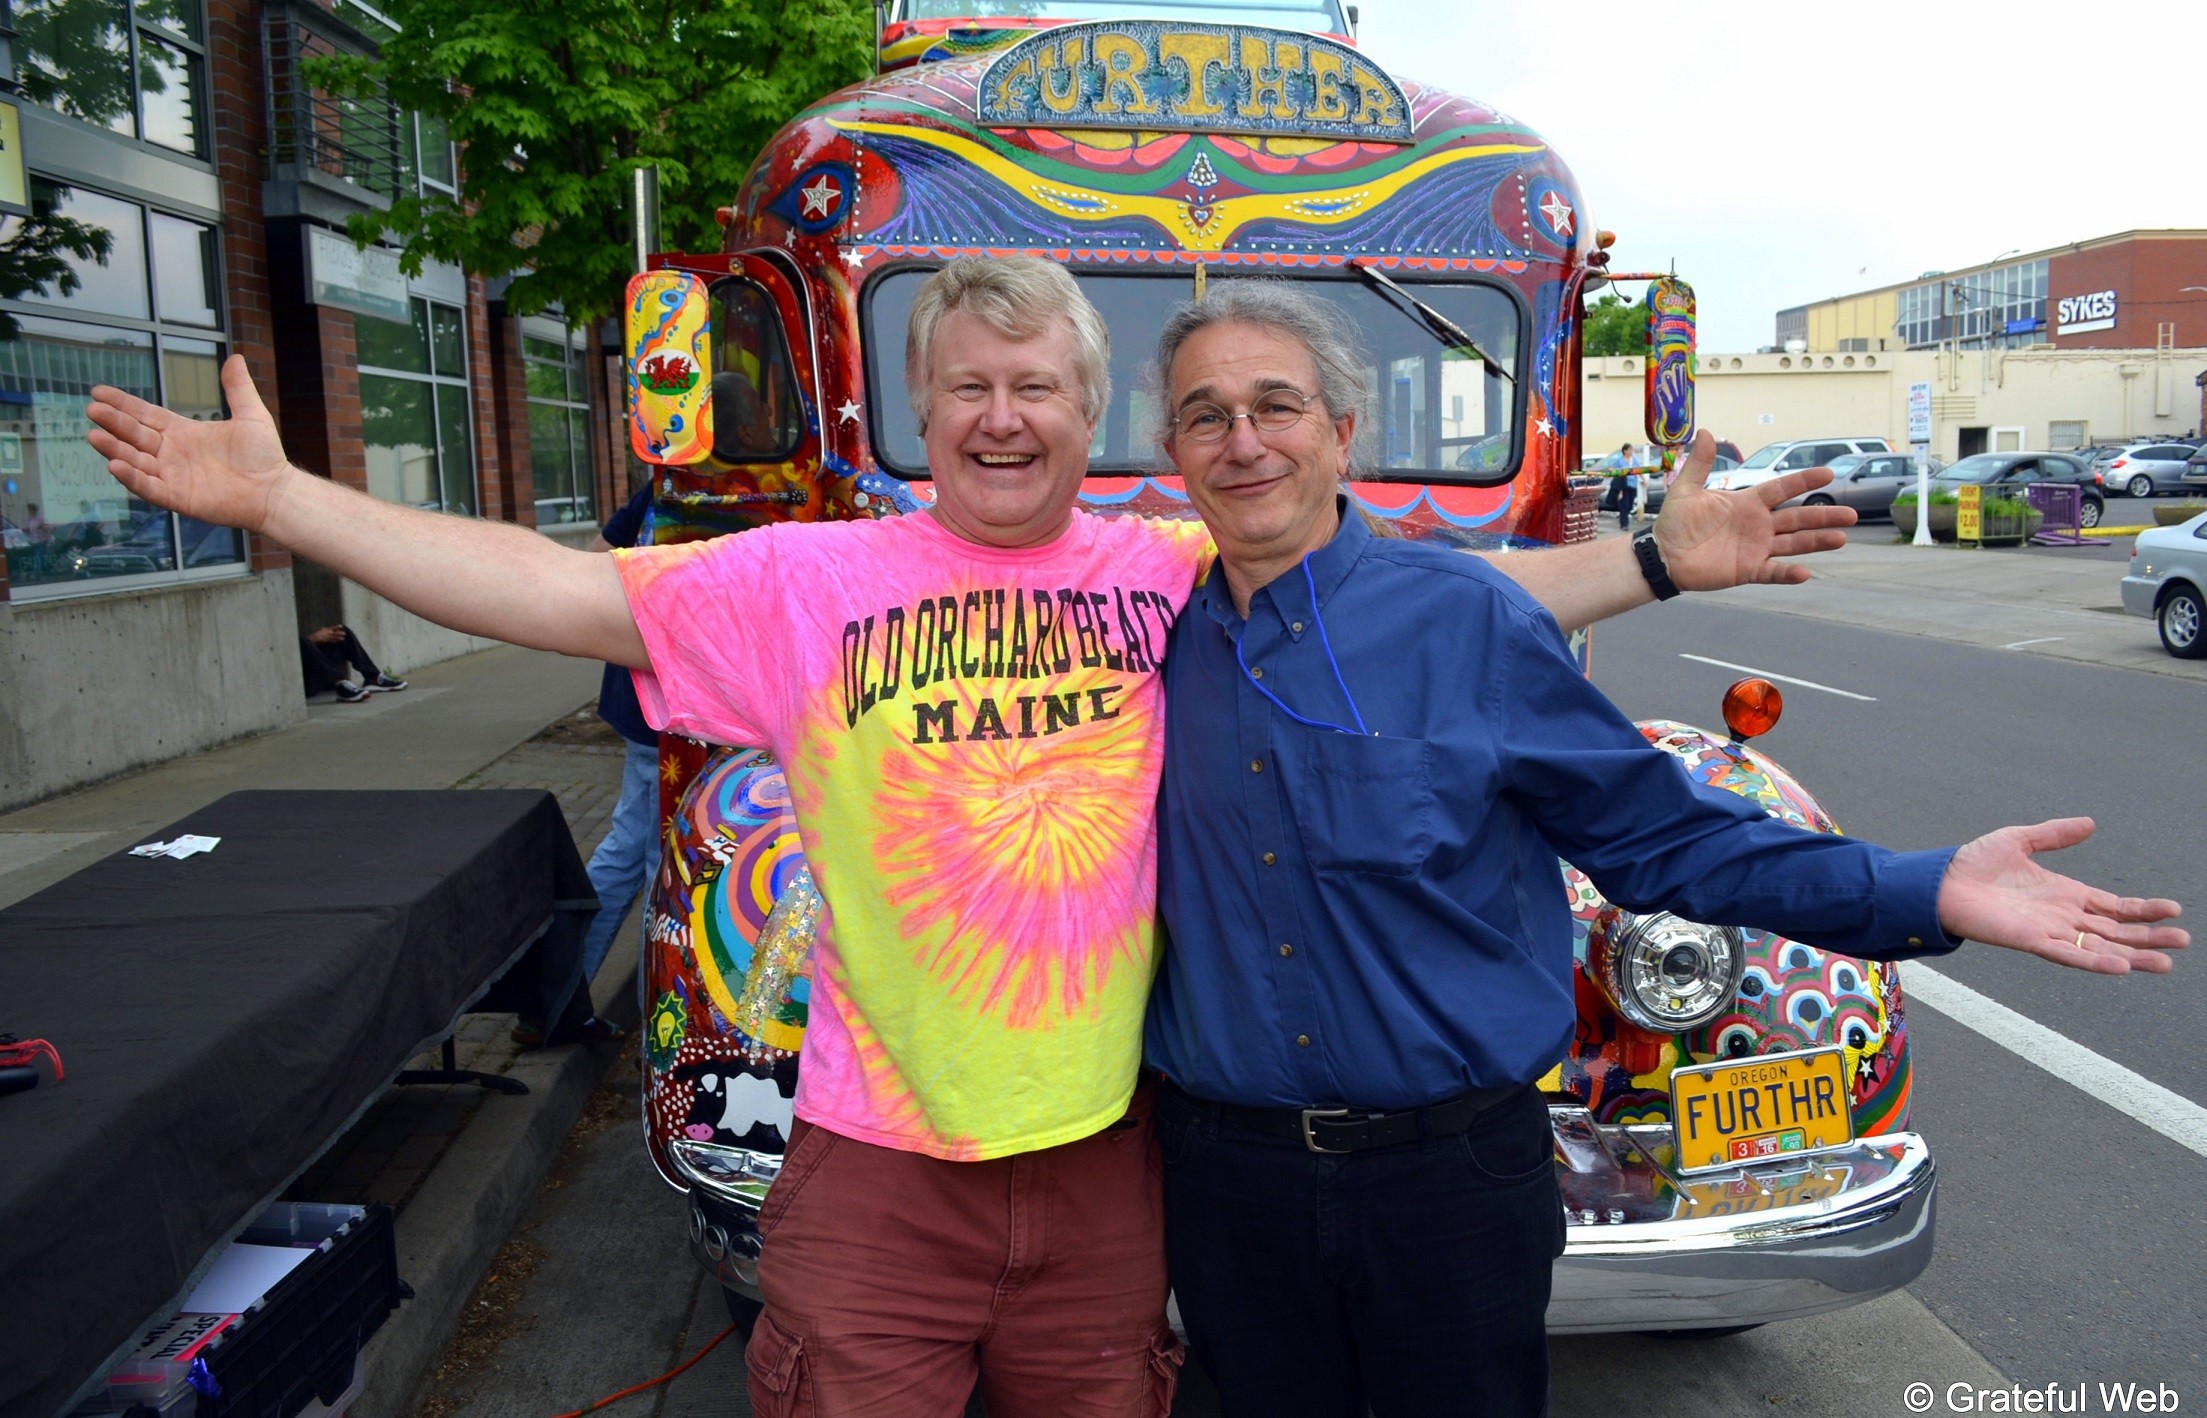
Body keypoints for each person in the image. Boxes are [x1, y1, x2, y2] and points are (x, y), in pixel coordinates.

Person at [86, 256, 1864, 1418]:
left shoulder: (1165, 565)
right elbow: (551, 586)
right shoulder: (801, 582)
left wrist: (1648, 560)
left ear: (1092, 419)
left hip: (1109, 1156)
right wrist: (284, 499)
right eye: (966, 387)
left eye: (1036, 383)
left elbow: (1423, 608)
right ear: (919, 415)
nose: (1001, 412)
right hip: (876, 1159)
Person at [1137, 279, 2186, 1418]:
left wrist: (1921, 885)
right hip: (1226, 1184)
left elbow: (1669, 838)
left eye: (1274, 406)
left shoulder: (1468, 621)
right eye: (1205, 414)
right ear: (1172, 452)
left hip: (1446, 1187)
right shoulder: (1136, 639)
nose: (1241, 441)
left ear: (1341, 434)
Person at [576, 482, 660, 995]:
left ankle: (558, 993)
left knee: (627, 848)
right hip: (669, 703)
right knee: (657, 863)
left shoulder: (662, 487)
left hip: (639, 695)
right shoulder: (712, 491)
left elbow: (595, 561)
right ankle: (658, 1021)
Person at [298, 623, 406, 703]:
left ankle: (373, 678)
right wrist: (314, 638)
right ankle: (339, 682)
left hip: (313, 675)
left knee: (341, 632)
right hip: (301, 686)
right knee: (301, 641)